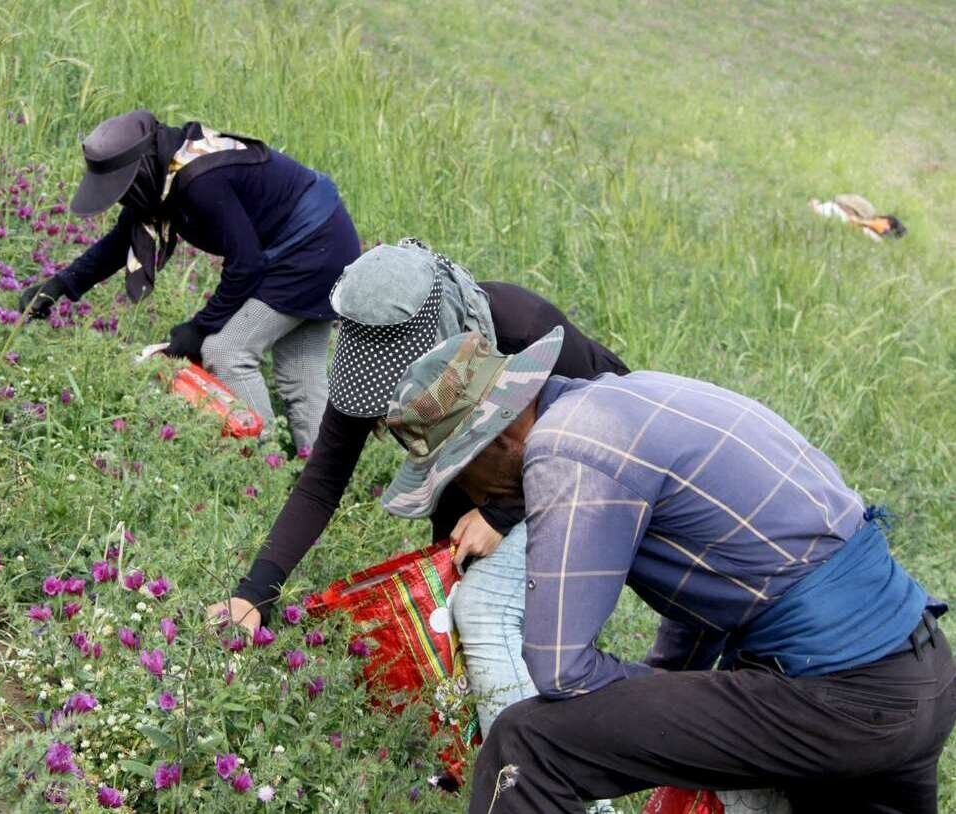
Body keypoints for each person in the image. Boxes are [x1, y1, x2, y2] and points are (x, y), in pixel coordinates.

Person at [378, 330, 954, 814]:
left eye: (456, 475)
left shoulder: (568, 445)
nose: (465, 494)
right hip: (918, 676)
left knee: (525, 743)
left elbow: (559, 670)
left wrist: (664, 701)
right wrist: (670, 697)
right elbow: (713, 583)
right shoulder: (632, 400)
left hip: (845, 696)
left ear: (499, 438)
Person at [208, 237, 629, 737]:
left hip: (585, 470)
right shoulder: (366, 357)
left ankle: (540, 759)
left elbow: (601, 434)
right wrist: (255, 594)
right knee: (455, 590)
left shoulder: (521, 327)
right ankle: (475, 734)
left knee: (512, 620)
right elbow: (321, 485)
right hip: (468, 468)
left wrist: (504, 513)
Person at [20, 108, 360, 451]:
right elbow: (120, 240)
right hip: (327, 236)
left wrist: (200, 329)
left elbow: (247, 264)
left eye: (122, 189)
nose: (122, 199)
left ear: (139, 168)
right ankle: (322, 484)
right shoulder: (163, 168)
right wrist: (59, 286)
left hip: (312, 246)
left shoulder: (198, 180)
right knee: (300, 371)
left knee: (226, 352)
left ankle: (261, 463)